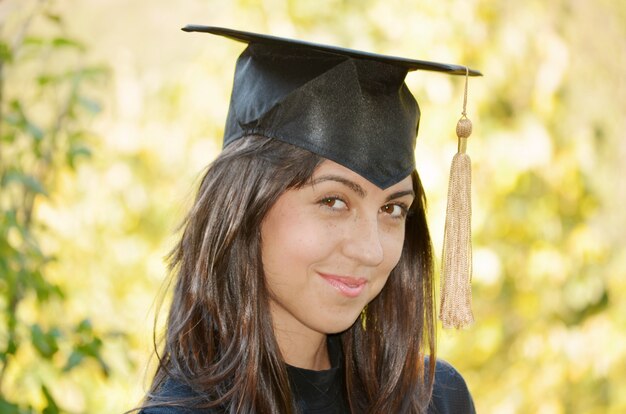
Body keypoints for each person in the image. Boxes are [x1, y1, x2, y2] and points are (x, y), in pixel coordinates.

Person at [137, 26, 479, 414]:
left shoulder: (435, 399)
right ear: (244, 207)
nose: (371, 250)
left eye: (392, 209)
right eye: (333, 201)